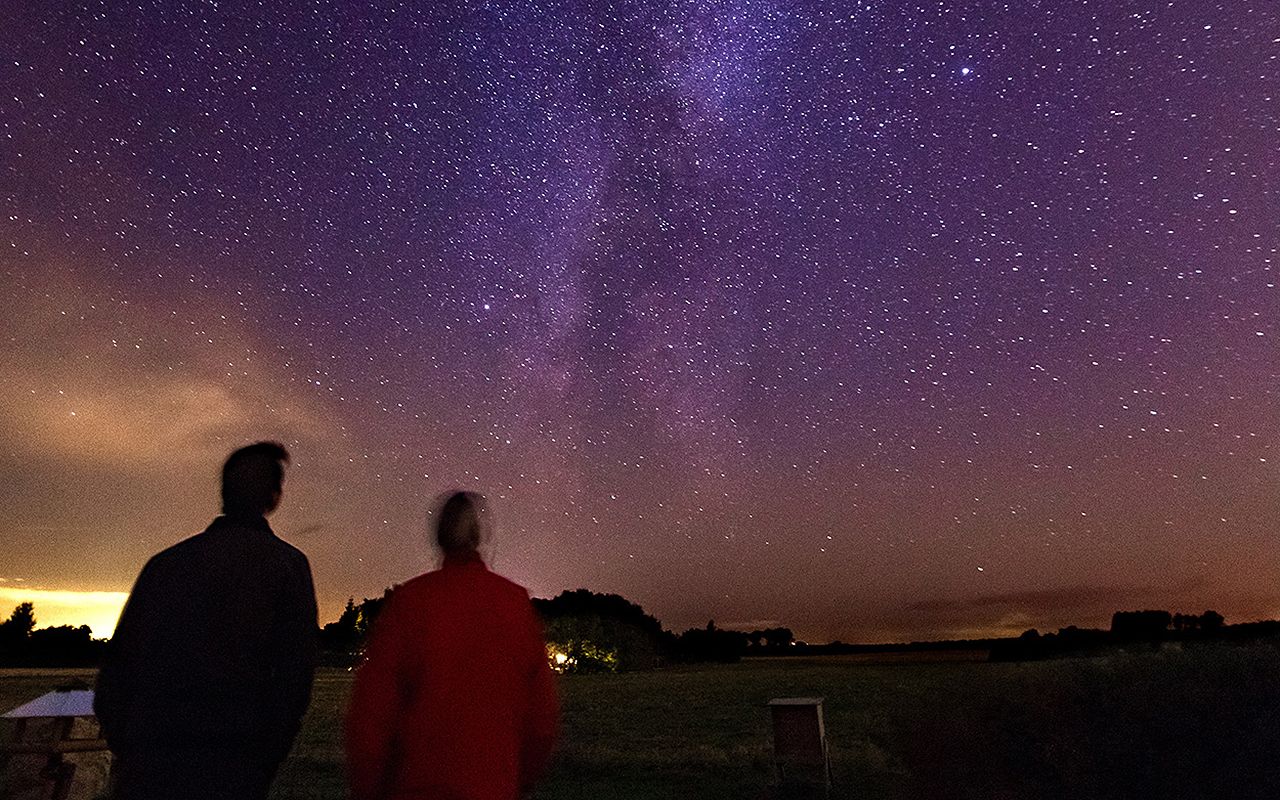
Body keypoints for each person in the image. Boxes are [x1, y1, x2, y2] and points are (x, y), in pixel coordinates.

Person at [95, 441, 318, 800]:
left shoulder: (165, 565)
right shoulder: (286, 566)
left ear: (224, 493)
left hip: (149, 762)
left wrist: (128, 742)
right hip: (234, 764)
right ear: (274, 497)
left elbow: (118, 667)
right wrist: (267, 755)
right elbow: (295, 674)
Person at [346, 491, 559, 800]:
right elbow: (541, 720)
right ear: (480, 536)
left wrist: (368, 788)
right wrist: (516, 782)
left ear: (439, 537)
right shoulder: (514, 603)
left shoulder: (410, 601)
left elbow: (371, 713)